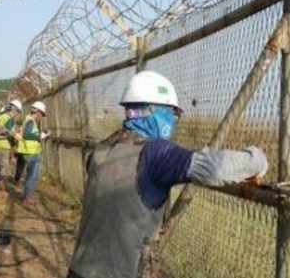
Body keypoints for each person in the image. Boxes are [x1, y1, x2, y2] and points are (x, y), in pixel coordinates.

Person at [67, 70, 268, 278]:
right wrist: (257, 160)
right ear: (154, 109)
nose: (173, 121)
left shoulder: (100, 150)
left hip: (79, 269)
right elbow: (211, 168)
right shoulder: (156, 153)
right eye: (172, 114)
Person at [16, 101, 50, 205]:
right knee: (32, 176)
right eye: (42, 114)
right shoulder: (31, 121)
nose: (42, 117)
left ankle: (27, 195)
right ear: (38, 112)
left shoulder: (28, 120)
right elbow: (27, 134)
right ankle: (28, 197)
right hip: (31, 152)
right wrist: (41, 136)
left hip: (29, 151)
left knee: (31, 175)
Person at [0, 99, 23, 197]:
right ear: (14, 110)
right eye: (18, 112)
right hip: (4, 145)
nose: (17, 114)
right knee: (4, 168)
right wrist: (16, 136)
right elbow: (9, 132)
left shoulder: (1, 117)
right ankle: (1, 190)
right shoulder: (10, 119)